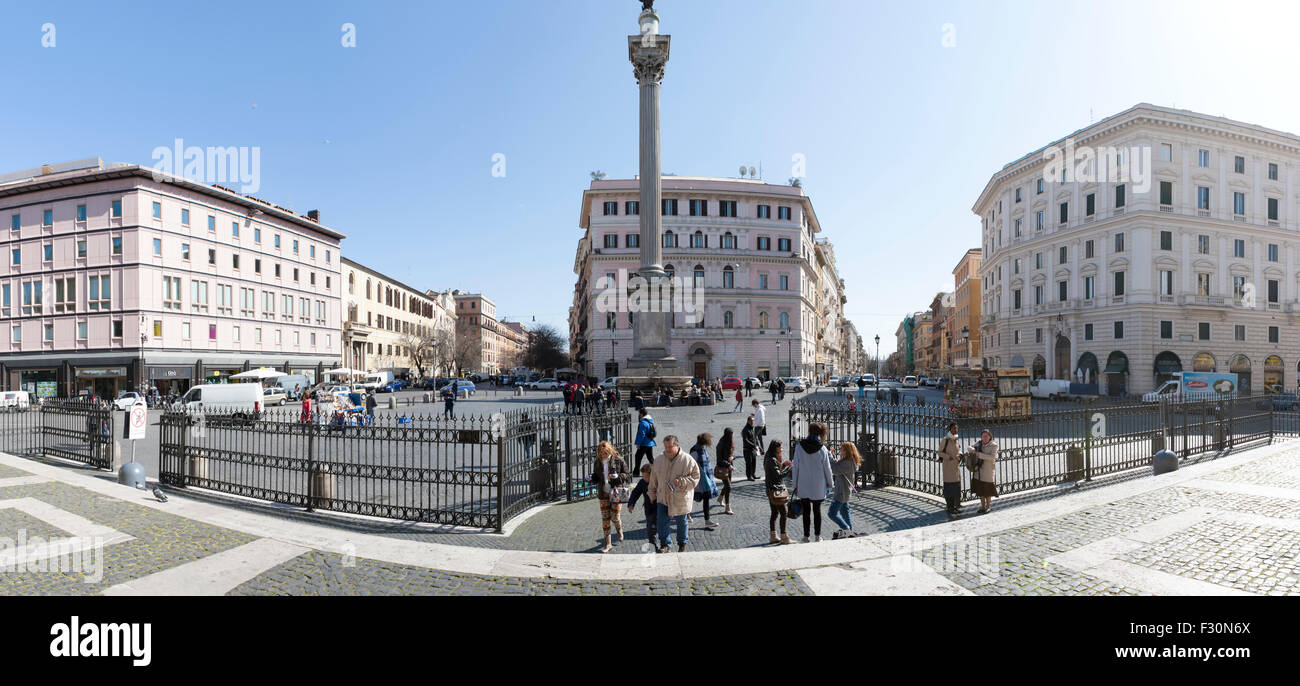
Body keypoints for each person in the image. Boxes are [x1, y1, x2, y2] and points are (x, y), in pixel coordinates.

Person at [648, 435, 700, 553]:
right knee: (662, 521)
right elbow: (653, 479)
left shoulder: (688, 460)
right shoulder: (659, 460)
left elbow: (696, 478)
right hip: (663, 497)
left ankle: (682, 544)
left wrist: (681, 482)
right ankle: (665, 544)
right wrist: (652, 494)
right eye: (666, 446)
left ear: (677, 445)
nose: (667, 449)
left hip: (680, 498)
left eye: (670, 446)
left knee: (682, 522)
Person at [791, 421, 834, 542]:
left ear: (809, 431)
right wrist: (830, 482)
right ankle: (817, 535)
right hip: (818, 485)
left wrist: (794, 484)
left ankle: (806, 536)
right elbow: (827, 468)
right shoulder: (822, 449)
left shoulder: (800, 447)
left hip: (803, 483)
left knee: (806, 511)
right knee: (817, 510)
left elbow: (795, 467)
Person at [591, 440, 628, 553]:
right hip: (603, 493)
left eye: (606, 452)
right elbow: (596, 477)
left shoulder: (618, 459)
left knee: (615, 517)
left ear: (610, 450)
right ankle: (608, 544)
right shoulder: (597, 462)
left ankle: (619, 529)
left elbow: (627, 475)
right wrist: (592, 478)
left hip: (616, 492)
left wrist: (617, 477)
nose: (604, 454)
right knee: (605, 520)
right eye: (601, 453)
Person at [828, 442, 861, 532]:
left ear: (846, 451)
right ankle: (850, 533)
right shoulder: (848, 461)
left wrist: (828, 455)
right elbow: (838, 466)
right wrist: (832, 455)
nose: (840, 450)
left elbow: (835, 469)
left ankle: (846, 528)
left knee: (832, 513)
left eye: (841, 449)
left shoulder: (848, 463)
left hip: (841, 493)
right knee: (845, 514)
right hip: (845, 492)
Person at [764, 441, 792, 545]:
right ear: (776, 448)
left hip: (770, 488)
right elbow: (778, 475)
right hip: (775, 490)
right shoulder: (772, 460)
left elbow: (776, 471)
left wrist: (784, 465)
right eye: (780, 447)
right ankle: (784, 536)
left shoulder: (769, 458)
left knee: (775, 513)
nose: (782, 449)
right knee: (784, 512)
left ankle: (773, 536)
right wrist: (789, 469)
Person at [689, 433, 719, 531]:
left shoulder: (702, 448)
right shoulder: (695, 450)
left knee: (705, 498)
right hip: (698, 480)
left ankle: (707, 521)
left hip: (705, 479)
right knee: (693, 497)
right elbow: (691, 465)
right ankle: (686, 513)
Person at [626, 464, 657, 551]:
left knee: (659, 526)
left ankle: (663, 544)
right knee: (650, 527)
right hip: (648, 507)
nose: (644, 478)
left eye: (646, 476)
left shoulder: (657, 481)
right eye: (643, 476)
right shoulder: (642, 482)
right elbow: (635, 493)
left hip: (659, 506)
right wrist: (631, 504)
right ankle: (653, 545)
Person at [970, 429, 998, 514]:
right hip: (978, 470)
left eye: (986, 436)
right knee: (980, 490)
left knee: (987, 490)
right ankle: (982, 506)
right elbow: (970, 448)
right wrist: (972, 450)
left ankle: (988, 506)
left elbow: (992, 457)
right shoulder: (978, 443)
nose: (985, 438)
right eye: (983, 436)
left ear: (990, 436)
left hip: (987, 471)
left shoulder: (993, 445)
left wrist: (979, 455)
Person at [939, 422, 963, 518]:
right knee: (949, 487)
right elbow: (939, 452)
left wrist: (960, 454)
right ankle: (950, 507)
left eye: (956, 428)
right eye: (953, 428)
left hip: (956, 466)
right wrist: (948, 457)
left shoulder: (956, 439)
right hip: (948, 466)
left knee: (956, 487)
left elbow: (958, 449)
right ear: (950, 429)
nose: (955, 430)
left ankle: (955, 506)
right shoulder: (946, 440)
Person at [715, 428, 736, 515]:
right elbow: (719, 460)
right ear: (729, 435)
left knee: (728, 485)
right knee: (728, 486)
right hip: (723, 468)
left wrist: (732, 458)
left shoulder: (729, 442)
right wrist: (728, 464)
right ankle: (727, 507)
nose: (733, 436)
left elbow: (731, 455)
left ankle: (720, 498)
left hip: (728, 467)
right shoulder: (721, 444)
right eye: (732, 435)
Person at [633, 408, 656, 472]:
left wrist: (638, 443)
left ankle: (636, 471)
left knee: (638, 456)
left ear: (641, 414)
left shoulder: (643, 423)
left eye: (639, 413)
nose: (638, 415)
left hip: (644, 443)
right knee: (650, 458)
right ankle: (655, 470)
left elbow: (641, 434)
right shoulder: (649, 421)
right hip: (649, 442)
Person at [741, 416, 759, 480]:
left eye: (753, 421)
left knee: (754, 462)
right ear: (748, 421)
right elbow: (745, 440)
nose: (752, 422)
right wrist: (753, 445)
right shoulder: (745, 429)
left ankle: (753, 474)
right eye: (751, 421)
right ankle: (749, 476)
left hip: (752, 449)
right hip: (747, 449)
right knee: (749, 463)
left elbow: (754, 438)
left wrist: (756, 444)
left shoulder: (752, 428)